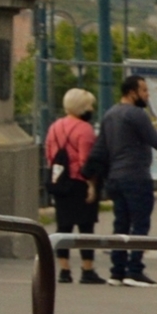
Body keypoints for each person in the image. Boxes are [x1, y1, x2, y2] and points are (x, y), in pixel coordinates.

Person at [88, 75, 157, 287]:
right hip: (136, 177)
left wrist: (92, 178)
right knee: (140, 224)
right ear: (132, 92)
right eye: (144, 91)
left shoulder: (110, 114)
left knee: (120, 225)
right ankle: (134, 270)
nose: (148, 95)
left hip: (115, 178)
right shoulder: (136, 114)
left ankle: (117, 271)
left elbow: (100, 149)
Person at [43, 88, 105, 286]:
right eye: (89, 106)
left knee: (63, 226)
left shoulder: (54, 127)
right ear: (82, 108)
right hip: (80, 183)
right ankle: (87, 269)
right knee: (86, 227)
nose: (92, 109)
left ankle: (64, 269)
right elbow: (86, 160)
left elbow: (49, 154)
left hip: (61, 182)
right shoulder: (84, 129)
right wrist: (92, 185)